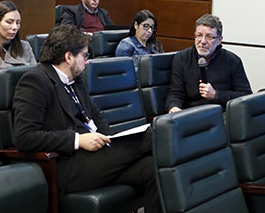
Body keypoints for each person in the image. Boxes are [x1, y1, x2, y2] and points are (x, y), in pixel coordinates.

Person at [12, 24, 160, 212]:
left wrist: (113, 139)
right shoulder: (35, 81)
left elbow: (95, 116)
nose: (88, 62)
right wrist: (77, 140)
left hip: (95, 157)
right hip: (66, 164)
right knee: (151, 139)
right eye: (85, 55)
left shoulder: (76, 79)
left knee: (153, 170)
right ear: (68, 57)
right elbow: (24, 137)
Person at [166, 14, 252, 113]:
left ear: (220, 40)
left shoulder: (232, 61)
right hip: (190, 114)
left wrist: (216, 95)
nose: (202, 41)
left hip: (221, 115)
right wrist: (173, 107)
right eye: (199, 36)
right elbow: (175, 92)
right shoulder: (181, 58)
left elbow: (245, 96)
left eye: (209, 37)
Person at [0, 0, 36, 89]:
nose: (15, 27)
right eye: (9, 22)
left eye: (18, 22)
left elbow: (37, 77)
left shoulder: (25, 46)